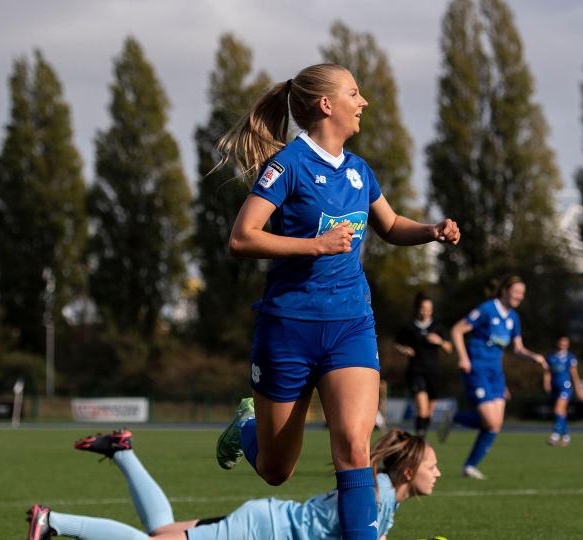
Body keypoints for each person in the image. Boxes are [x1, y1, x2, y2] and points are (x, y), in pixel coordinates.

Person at [209, 63, 460, 539]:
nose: (363, 102)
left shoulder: (360, 170)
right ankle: (246, 425)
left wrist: (429, 231)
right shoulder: (288, 165)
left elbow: (388, 225)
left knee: (354, 448)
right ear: (327, 105)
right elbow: (241, 239)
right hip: (288, 328)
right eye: (354, 92)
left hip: (350, 325)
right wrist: (314, 246)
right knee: (276, 469)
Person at [26, 428, 441, 540]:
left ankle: (122, 451)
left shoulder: (385, 497)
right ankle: (53, 523)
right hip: (260, 531)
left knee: (159, 531)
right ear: (407, 471)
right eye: (432, 466)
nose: (437, 473)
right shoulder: (377, 493)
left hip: (264, 523)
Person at [438, 275, 546, 480]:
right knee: (489, 420)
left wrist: (533, 357)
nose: (519, 297)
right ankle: (454, 417)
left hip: (496, 374)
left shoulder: (513, 318)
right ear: (505, 290)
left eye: (522, 294)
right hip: (477, 369)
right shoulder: (487, 309)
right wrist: (463, 357)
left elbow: (517, 348)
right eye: (516, 292)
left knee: (495, 425)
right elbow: (457, 329)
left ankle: (469, 466)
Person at [394, 292, 453, 436]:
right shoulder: (409, 327)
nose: (426, 311)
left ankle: (421, 438)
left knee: (428, 412)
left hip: (434, 372)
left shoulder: (438, 326)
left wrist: (439, 341)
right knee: (422, 407)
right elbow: (397, 344)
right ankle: (419, 439)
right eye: (423, 308)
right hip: (416, 371)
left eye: (429, 308)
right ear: (417, 309)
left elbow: (449, 349)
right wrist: (404, 349)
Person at [542, 336, 583, 447]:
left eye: (565, 344)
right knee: (561, 412)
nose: (562, 346)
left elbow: (574, 374)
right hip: (555, 387)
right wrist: (546, 383)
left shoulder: (570, 358)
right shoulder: (551, 357)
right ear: (558, 344)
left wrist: (578, 388)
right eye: (561, 344)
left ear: (568, 346)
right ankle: (566, 436)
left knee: (558, 409)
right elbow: (547, 372)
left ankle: (555, 435)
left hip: (565, 387)